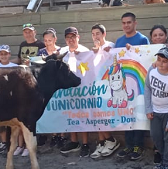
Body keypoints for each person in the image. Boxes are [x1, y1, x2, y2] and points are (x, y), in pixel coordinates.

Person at [111, 12, 150, 161]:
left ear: (135, 23)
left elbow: (147, 57)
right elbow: (115, 61)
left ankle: (138, 146)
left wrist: (134, 50)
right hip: (123, 85)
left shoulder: (142, 39)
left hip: (139, 82)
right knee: (126, 114)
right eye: (124, 23)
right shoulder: (119, 41)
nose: (126, 25)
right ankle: (128, 145)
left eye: (129, 22)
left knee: (138, 113)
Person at [145, 47, 168, 169]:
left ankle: (167, 163)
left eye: (164, 61)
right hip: (155, 111)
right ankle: (166, 158)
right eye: (159, 60)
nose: (161, 63)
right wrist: (148, 109)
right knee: (156, 136)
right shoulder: (152, 70)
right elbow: (147, 88)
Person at [59, 27, 91, 157]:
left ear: (78, 37)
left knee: (82, 116)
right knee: (70, 115)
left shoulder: (85, 51)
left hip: (82, 88)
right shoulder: (62, 51)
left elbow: (90, 70)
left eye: (73, 37)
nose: (71, 39)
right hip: (68, 90)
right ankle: (74, 141)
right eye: (68, 37)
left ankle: (85, 143)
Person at [89, 24, 120, 159]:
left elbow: (117, 60)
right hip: (96, 85)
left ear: (104, 34)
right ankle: (102, 142)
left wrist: (109, 51)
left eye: (98, 33)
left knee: (102, 115)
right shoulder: (92, 50)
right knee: (96, 115)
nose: (96, 36)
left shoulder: (111, 46)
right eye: (93, 34)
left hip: (108, 85)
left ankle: (111, 140)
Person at [37, 28, 66, 148]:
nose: (48, 42)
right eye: (45, 40)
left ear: (55, 39)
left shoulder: (62, 51)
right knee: (51, 110)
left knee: (62, 110)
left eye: (50, 40)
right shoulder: (40, 52)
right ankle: (54, 135)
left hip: (60, 84)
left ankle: (62, 136)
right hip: (47, 86)